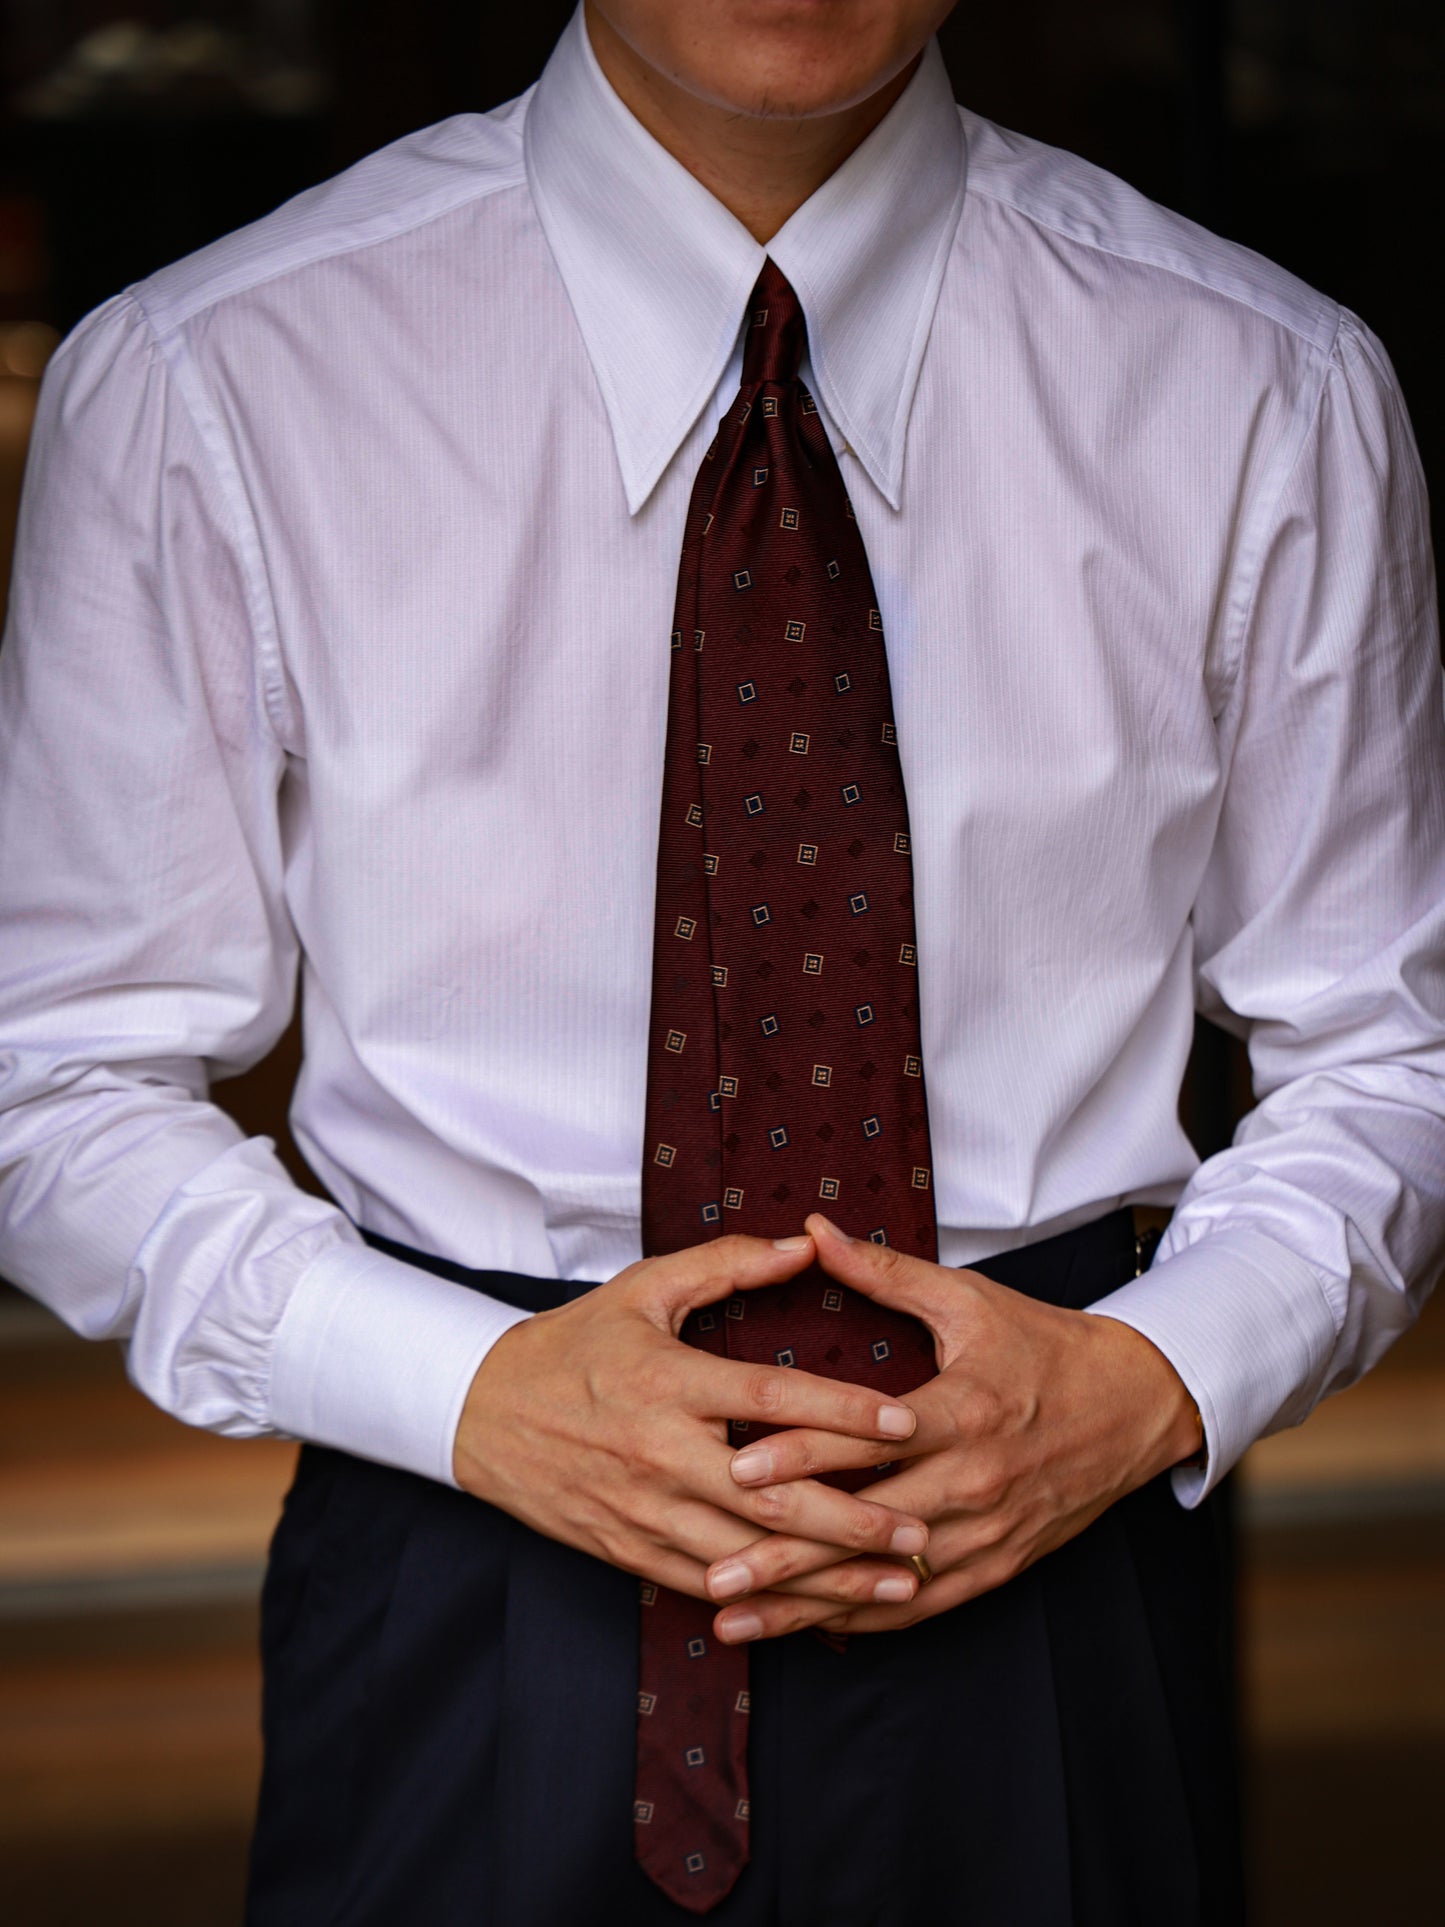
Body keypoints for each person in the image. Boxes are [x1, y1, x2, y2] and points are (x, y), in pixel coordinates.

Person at [1, 1, 1441, 1920]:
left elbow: (1392, 1041)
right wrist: (462, 1390)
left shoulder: (1266, 384)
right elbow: (53, 1068)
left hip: (1060, 1540)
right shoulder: (209, 378)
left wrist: (1155, 1375)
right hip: (461, 1552)